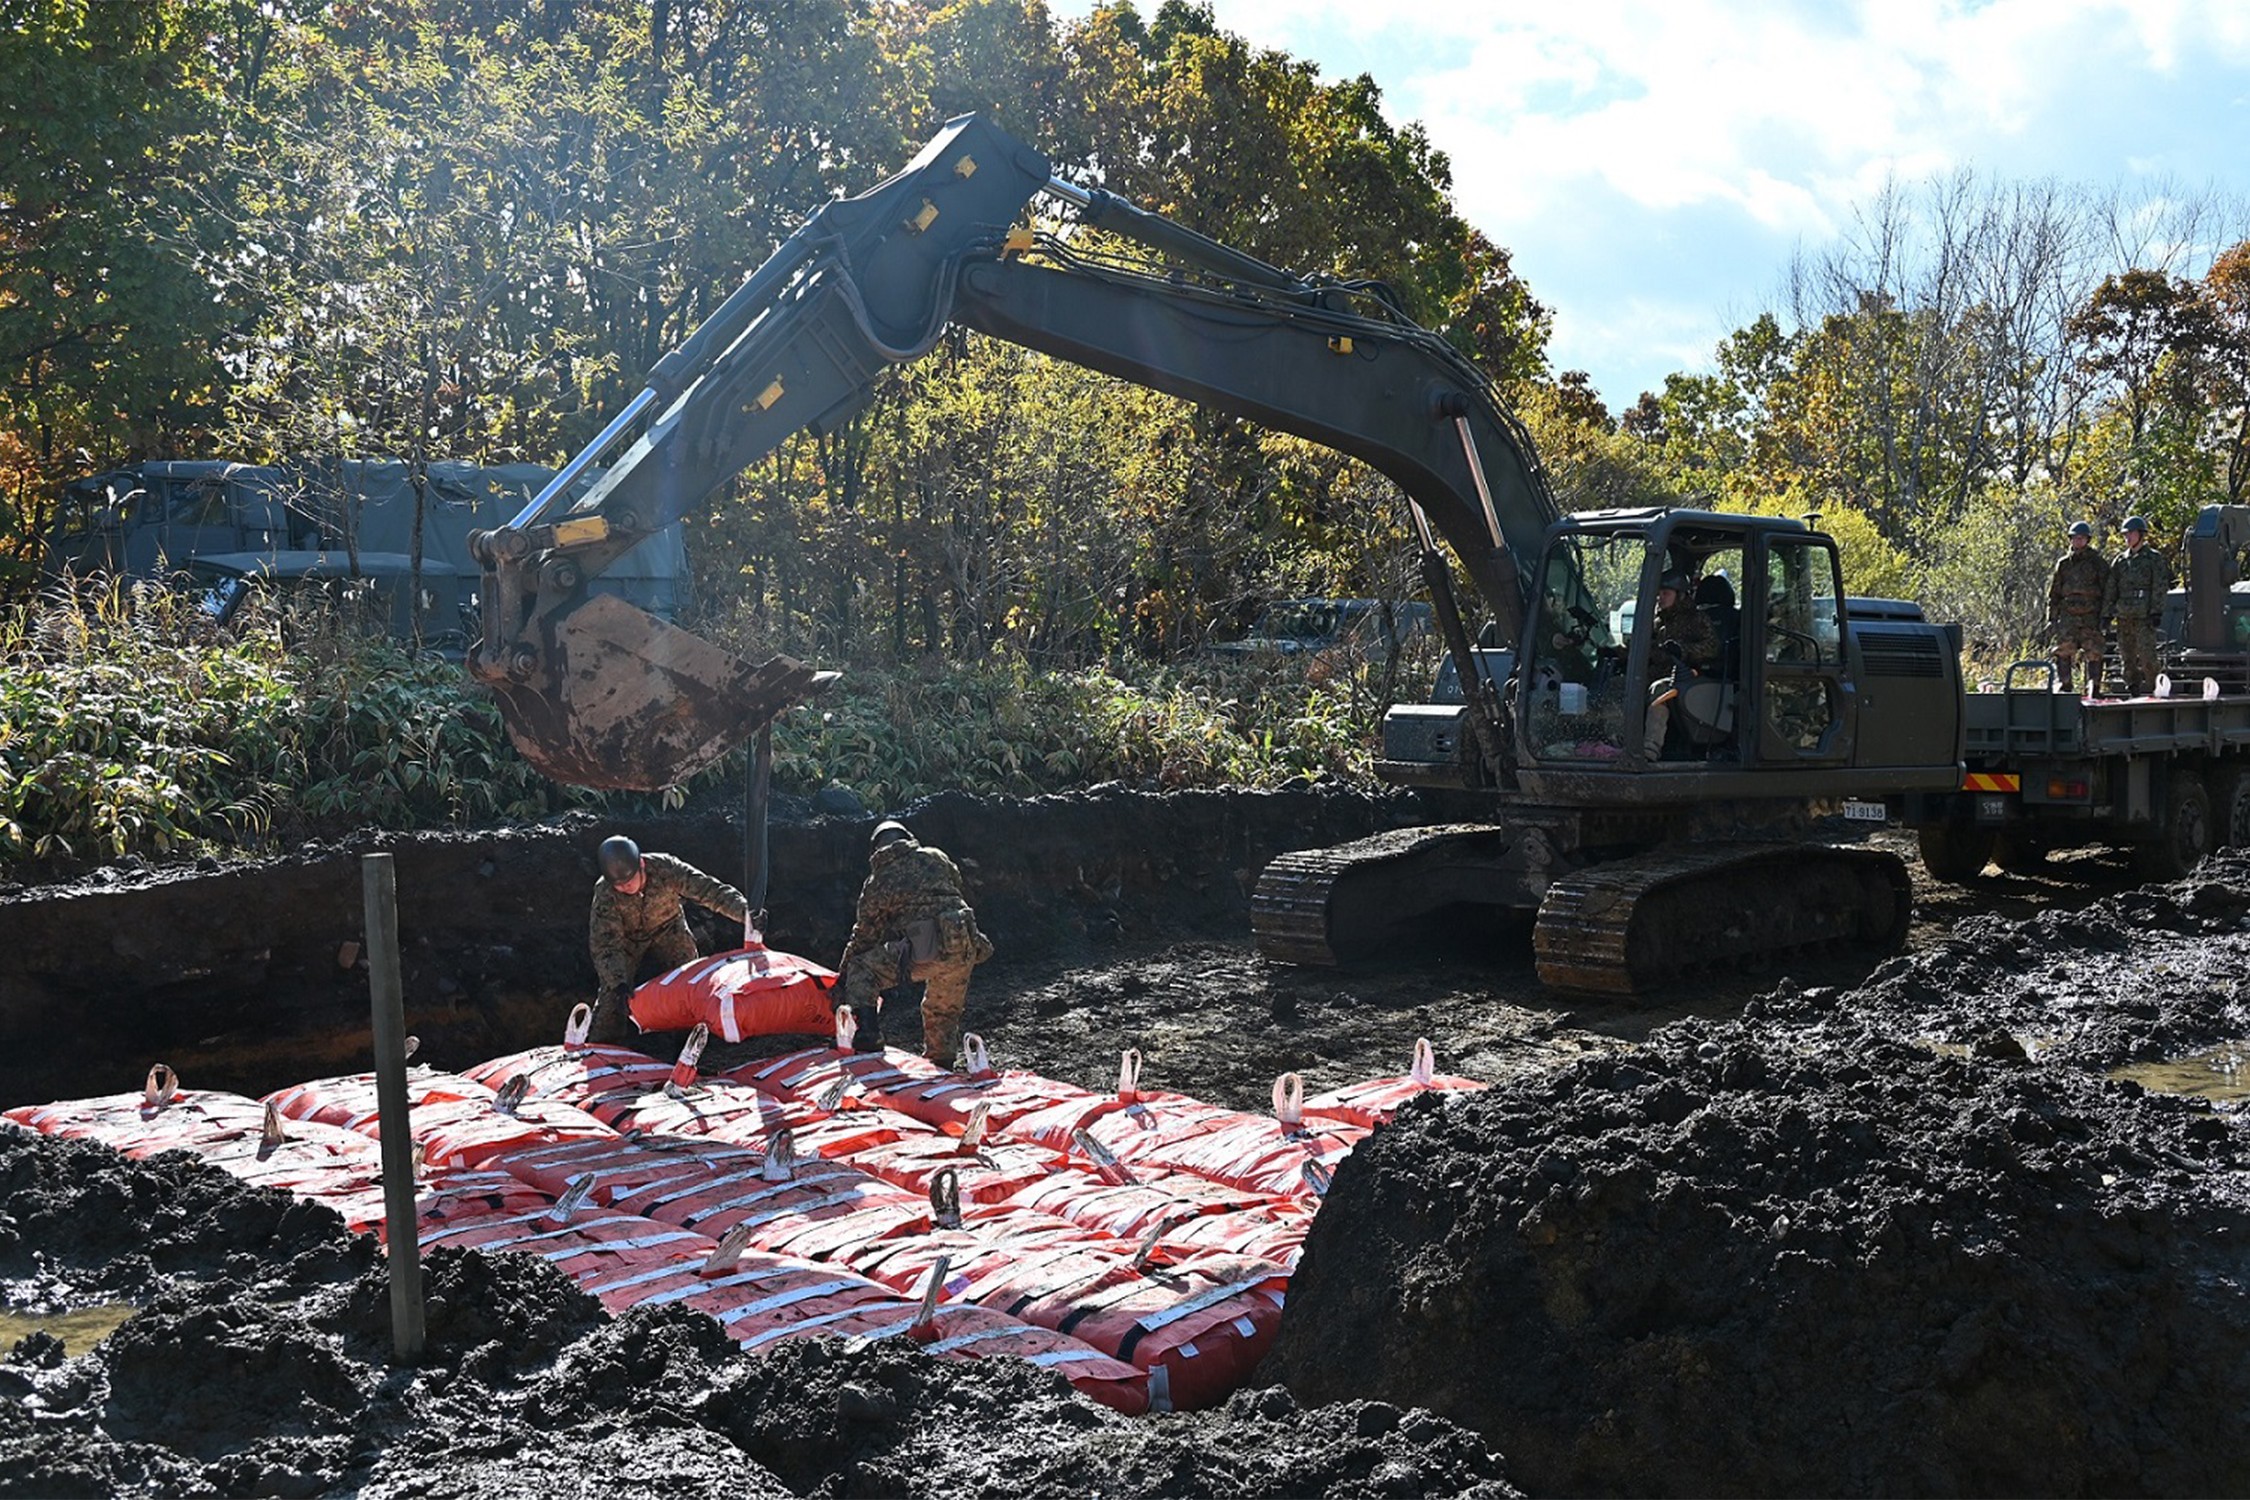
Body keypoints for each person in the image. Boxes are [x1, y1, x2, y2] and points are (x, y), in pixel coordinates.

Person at [839, 820, 994, 1067]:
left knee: (862, 967)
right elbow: (955, 885)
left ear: (875, 850)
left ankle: (868, 1034)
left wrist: (844, 972)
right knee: (943, 1008)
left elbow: (865, 937)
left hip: (927, 946)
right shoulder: (936, 856)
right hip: (964, 941)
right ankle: (942, 1061)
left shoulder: (878, 880)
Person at [587, 835, 749, 1043]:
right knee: (613, 996)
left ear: (642, 864)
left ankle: (689, 1044)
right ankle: (600, 1050)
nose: (625, 887)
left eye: (629, 881)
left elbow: (710, 891)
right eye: (619, 885)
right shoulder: (605, 892)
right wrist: (618, 982)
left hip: (668, 928)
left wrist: (745, 912)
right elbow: (606, 943)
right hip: (627, 939)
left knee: (689, 982)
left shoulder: (667, 869)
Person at [1642, 570, 1721, 759]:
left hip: (1687, 676)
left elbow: (1712, 648)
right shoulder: (1659, 621)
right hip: (1658, 671)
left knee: (1659, 689)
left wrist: (1682, 650)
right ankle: (1616, 741)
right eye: (1659, 593)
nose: (1660, 597)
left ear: (1680, 595)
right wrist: (1617, 651)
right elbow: (1647, 647)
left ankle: (1649, 749)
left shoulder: (1696, 619)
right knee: (1620, 683)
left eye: (1666, 593)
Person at [2102, 516, 2174, 697]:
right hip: (2124, 615)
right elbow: (2111, 588)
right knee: (2127, 656)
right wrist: (2106, 614)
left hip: (2144, 615)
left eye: (2131, 534)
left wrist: (2156, 611)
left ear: (2141, 535)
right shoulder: (2120, 561)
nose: (2127, 538)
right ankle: (2132, 688)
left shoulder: (2153, 559)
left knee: (2148, 656)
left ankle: (2154, 688)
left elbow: (2159, 586)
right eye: (2125, 534)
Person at [2047, 520, 2109, 694]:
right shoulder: (2064, 564)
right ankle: (2065, 684)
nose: (2078, 541)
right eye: (2075, 538)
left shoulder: (2098, 563)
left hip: (2091, 615)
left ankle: (2094, 686)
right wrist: (2051, 618)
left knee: (2094, 652)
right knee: (2063, 650)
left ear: (2087, 540)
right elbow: (2054, 593)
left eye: (2081, 538)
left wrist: (2106, 616)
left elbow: (2108, 591)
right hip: (2068, 616)